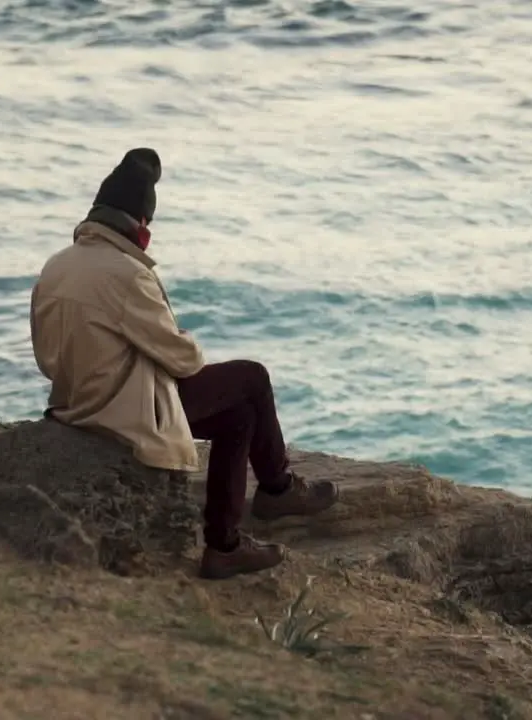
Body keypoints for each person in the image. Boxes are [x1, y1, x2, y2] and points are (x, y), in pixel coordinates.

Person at [29, 147, 339, 580]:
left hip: (71, 403)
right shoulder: (127, 274)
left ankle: (227, 546)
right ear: (140, 223)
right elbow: (184, 360)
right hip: (118, 412)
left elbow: (46, 356)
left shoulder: (55, 266)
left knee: (239, 416)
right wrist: (179, 339)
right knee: (252, 379)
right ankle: (276, 491)